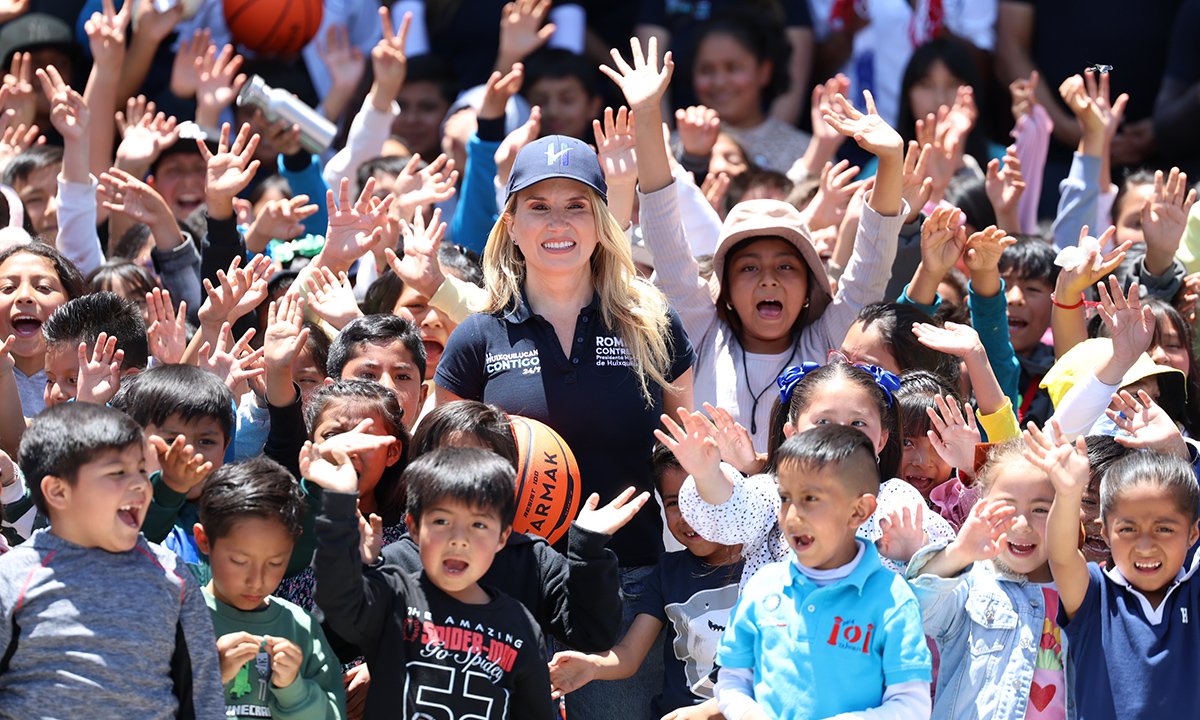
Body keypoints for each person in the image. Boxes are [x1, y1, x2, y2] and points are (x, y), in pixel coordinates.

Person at [637, 35, 909, 450]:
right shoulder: (701, 331)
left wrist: (891, 159)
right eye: (748, 268)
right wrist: (645, 113)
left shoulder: (828, 341)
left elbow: (871, 263)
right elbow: (665, 233)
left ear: (808, 287)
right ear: (724, 288)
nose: (768, 280)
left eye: (785, 266)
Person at [0, 402, 224, 717]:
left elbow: (202, 693)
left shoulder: (171, 574)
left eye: (142, 470)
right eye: (118, 472)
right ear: (58, 492)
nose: (140, 485)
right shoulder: (12, 577)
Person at [310, 445, 556, 719]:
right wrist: (338, 506)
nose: (458, 539)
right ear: (414, 527)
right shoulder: (392, 596)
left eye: (479, 525)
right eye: (442, 520)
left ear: (503, 537)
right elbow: (336, 600)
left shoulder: (521, 625)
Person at [660, 361, 956, 587]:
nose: (839, 433)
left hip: (862, 660)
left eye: (858, 423)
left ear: (881, 439)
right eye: (823, 420)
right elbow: (734, 511)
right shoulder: (775, 493)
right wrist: (707, 474)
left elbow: (943, 570)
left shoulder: (896, 497)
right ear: (791, 433)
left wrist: (915, 550)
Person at [713, 425, 933, 719]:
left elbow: (911, 706)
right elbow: (733, 680)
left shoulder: (893, 600)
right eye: (786, 498)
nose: (792, 516)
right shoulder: (762, 587)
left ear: (858, 511)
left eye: (811, 499)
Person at [547, 444, 742, 718]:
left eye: (701, 496)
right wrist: (592, 666)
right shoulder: (666, 573)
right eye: (674, 503)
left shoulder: (767, 566)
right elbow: (628, 655)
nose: (688, 514)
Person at [1027, 423, 1200, 719]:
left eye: (1164, 528)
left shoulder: (1193, 590)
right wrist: (1067, 495)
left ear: (1193, 535)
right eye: (1128, 528)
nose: (1146, 545)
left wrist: (1180, 451)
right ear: (1106, 533)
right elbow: (1063, 555)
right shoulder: (1095, 595)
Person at [905, 439, 1067, 719]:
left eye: (1040, 509)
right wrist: (959, 553)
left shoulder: (1083, 591)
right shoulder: (972, 583)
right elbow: (915, 609)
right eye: (1006, 507)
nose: (1021, 524)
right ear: (981, 504)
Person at [193, 456, 346, 719]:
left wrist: (294, 689)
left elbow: (334, 714)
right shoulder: (180, 619)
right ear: (204, 540)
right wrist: (208, 678)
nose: (257, 580)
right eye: (239, 561)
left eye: (276, 562)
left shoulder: (300, 627)